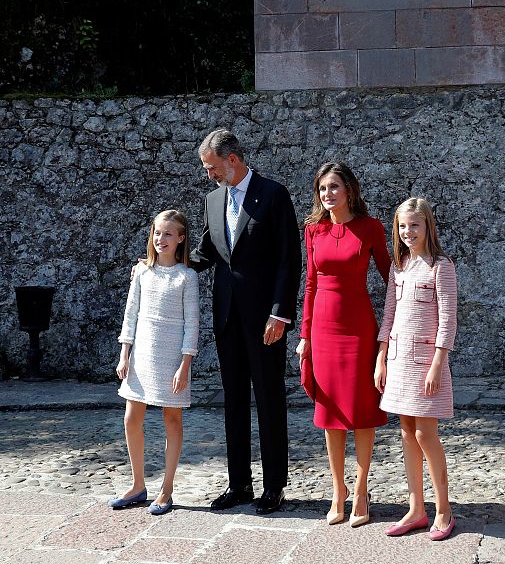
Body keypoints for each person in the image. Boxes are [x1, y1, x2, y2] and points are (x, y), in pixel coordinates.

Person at [190, 128, 301, 514]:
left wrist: (280, 313)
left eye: (212, 167)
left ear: (232, 160)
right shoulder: (213, 199)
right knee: (233, 401)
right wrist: (164, 261)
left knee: (269, 400)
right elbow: (206, 253)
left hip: (266, 320)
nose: (210, 174)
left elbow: (290, 260)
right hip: (227, 319)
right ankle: (238, 484)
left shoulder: (273, 194)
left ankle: (274, 487)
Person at [296, 162, 391, 528]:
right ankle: (339, 490)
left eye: (334, 187)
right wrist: (304, 335)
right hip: (322, 330)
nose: (327, 194)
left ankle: (363, 488)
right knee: (331, 415)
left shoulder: (371, 228)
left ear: (349, 190)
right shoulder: (313, 229)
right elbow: (310, 284)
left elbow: (391, 277)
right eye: (322, 189)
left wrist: (393, 330)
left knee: (363, 411)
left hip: (359, 329)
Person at [374, 197, 457, 541]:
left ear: (428, 227)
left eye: (415, 225)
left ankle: (444, 509)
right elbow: (389, 314)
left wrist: (438, 363)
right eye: (403, 226)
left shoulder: (442, 266)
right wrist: (381, 357)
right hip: (398, 360)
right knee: (406, 432)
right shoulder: (399, 266)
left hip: (426, 363)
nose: (408, 232)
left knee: (426, 433)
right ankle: (416, 509)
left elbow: (448, 320)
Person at [110, 209, 199, 515]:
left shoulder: (187, 277)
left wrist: (184, 365)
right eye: (157, 233)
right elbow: (130, 314)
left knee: (172, 421)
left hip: (172, 357)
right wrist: (125, 354)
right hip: (141, 356)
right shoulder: (142, 272)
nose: (161, 239)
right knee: (131, 418)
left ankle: (167, 489)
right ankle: (137, 485)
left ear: (181, 239)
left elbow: (192, 324)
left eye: (169, 234)